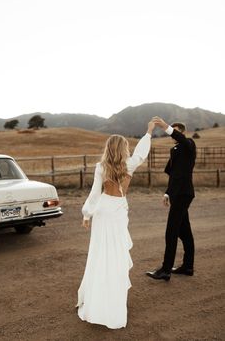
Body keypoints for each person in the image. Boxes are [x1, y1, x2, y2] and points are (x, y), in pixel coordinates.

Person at [76, 121, 155, 329]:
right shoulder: (130, 163)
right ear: (123, 148)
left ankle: (97, 300)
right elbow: (141, 153)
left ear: (108, 148)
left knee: (100, 254)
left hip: (103, 210)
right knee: (116, 255)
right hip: (118, 210)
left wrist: (87, 214)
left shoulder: (100, 167)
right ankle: (112, 299)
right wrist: (148, 132)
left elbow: (94, 193)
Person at [146, 117, 196, 281]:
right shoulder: (175, 150)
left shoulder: (189, 144)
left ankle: (165, 270)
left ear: (181, 132)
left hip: (183, 194)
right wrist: (168, 193)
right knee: (184, 232)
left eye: (175, 131)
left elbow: (182, 140)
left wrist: (165, 126)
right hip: (177, 194)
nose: (172, 135)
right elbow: (174, 174)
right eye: (171, 132)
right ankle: (188, 267)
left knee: (171, 232)